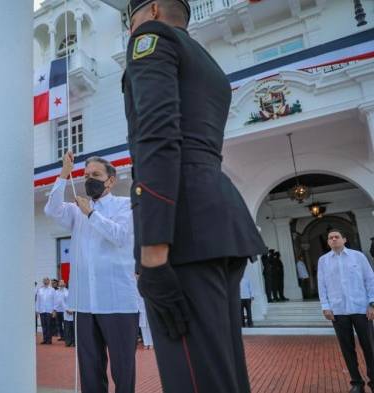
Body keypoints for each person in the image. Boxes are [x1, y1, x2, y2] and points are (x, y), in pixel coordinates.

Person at [122, 1, 267, 392]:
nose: (129, 27)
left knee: (194, 379)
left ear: (151, 9)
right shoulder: (207, 62)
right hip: (216, 220)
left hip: (180, 230)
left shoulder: (150, 39)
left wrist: (153, 252)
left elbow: (156, 136)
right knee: (223, 371)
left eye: (129, 18)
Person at [45, 153, 139, 393]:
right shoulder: (76, 210)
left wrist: (91, 214)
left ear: (111, 180)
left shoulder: (124, 205)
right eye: (86, 175)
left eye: (96, 175)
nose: (89, 180)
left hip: (117, 302)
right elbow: (52, 210)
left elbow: (119, 235)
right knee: (90, 370)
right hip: (85, 303)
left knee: (123, 370)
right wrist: (64, 174)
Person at [318, 229, 374, 393]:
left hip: (361, 308)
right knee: (347, 348)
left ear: (344, 239)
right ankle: (356, 383)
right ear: (328, 242)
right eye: (330, 238)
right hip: (338, 310)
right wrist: (325, 306)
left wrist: (372, 303)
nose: (333, 239)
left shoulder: (358, 257)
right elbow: (321, 285)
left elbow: (370, 279)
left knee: (369, 346)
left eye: (336, 237)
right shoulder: (323, 261)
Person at [36, 277, 56, 344]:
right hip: (42, 310)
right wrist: (37, 310)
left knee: (49, 325)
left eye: (46, 280)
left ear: (49, 281)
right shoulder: (40, 290)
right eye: (44, 280)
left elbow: (54, 300)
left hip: (49, 310)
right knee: (43, 325)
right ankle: (45, 339)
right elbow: (38, 301)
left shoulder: (52, 290)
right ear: (43, 281)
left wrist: (54, 310)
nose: (45, 281)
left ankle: (49, 340)